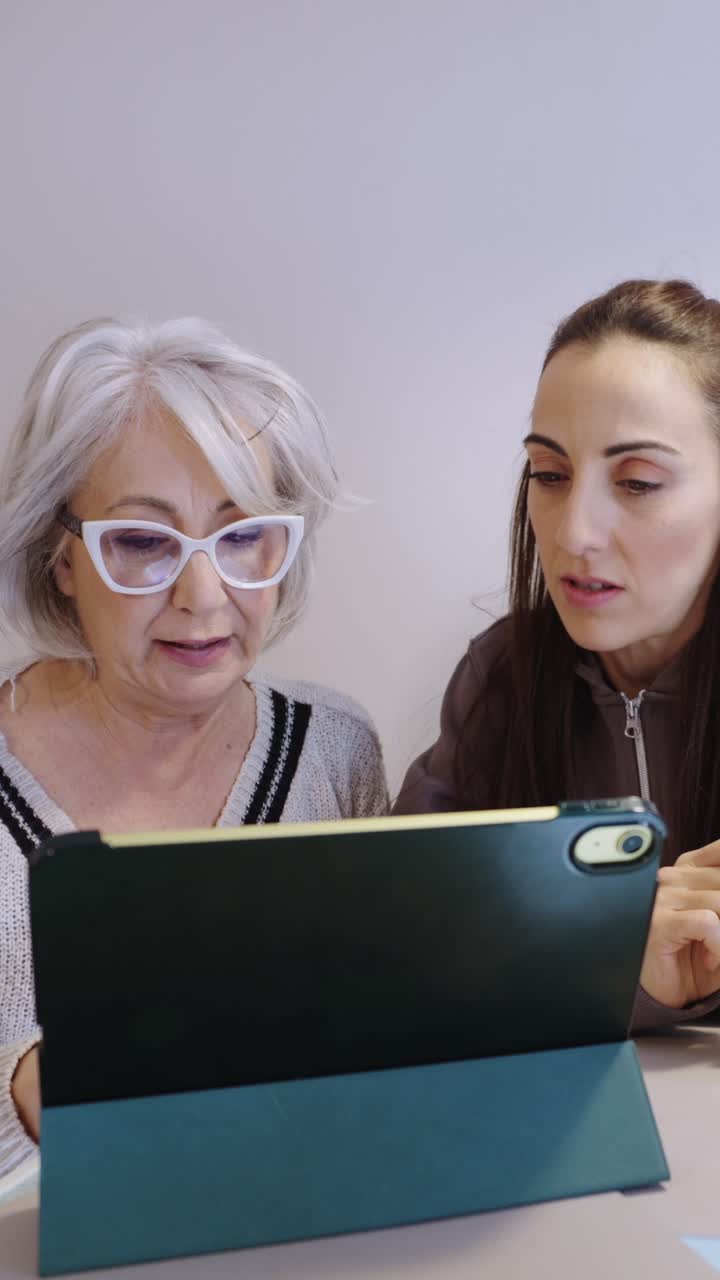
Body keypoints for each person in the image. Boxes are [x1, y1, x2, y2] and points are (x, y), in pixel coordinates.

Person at [0, 316, 388, 1180]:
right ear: (60, 556)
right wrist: (23, 1099)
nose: (204, 595)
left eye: (245, 533)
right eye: (142, 542)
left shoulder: (335, 752)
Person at [395, 278, 720, 1032]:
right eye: (549, 475)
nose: (576, 533)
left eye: (637, 482)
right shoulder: (504, 676)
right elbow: (400, 948)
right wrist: (622, 969)